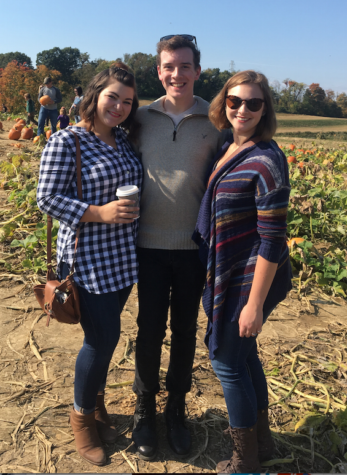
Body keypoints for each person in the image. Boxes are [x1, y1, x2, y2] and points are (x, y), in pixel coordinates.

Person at [36, 63, 142, 467]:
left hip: (123, 257)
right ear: (95, 95)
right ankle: (81, 418)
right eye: (112, 96)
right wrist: (99, 212)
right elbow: (46, 198)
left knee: (108, 338)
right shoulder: (68, 141)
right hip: (87, 259)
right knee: (100, 341)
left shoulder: (124, 141)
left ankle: (97, 409)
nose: (118, 106)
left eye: (127, 101)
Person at [131, 35, 228, 461]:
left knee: (186, 332)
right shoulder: (139, 118)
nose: (176, 74)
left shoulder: (215, 120)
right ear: (158, 71)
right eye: (169, 66)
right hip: (147, 245)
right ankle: (145, 407)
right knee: (148, 330)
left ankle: (176, 409)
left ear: (198, 71)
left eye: (185, 66)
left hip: (193, 247)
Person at [192, 70, 293, 473]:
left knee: (226, 362)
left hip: (251, 279)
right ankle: (263, 443)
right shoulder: (229, 146)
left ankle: (245, 461)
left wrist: (253, 306)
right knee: (245, 355)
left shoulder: (267, 162)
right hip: (230, 271)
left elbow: (272, 240)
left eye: (254, 103)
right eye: (235, 101)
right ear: (223, 104)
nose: (243, 109)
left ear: (265, 108)